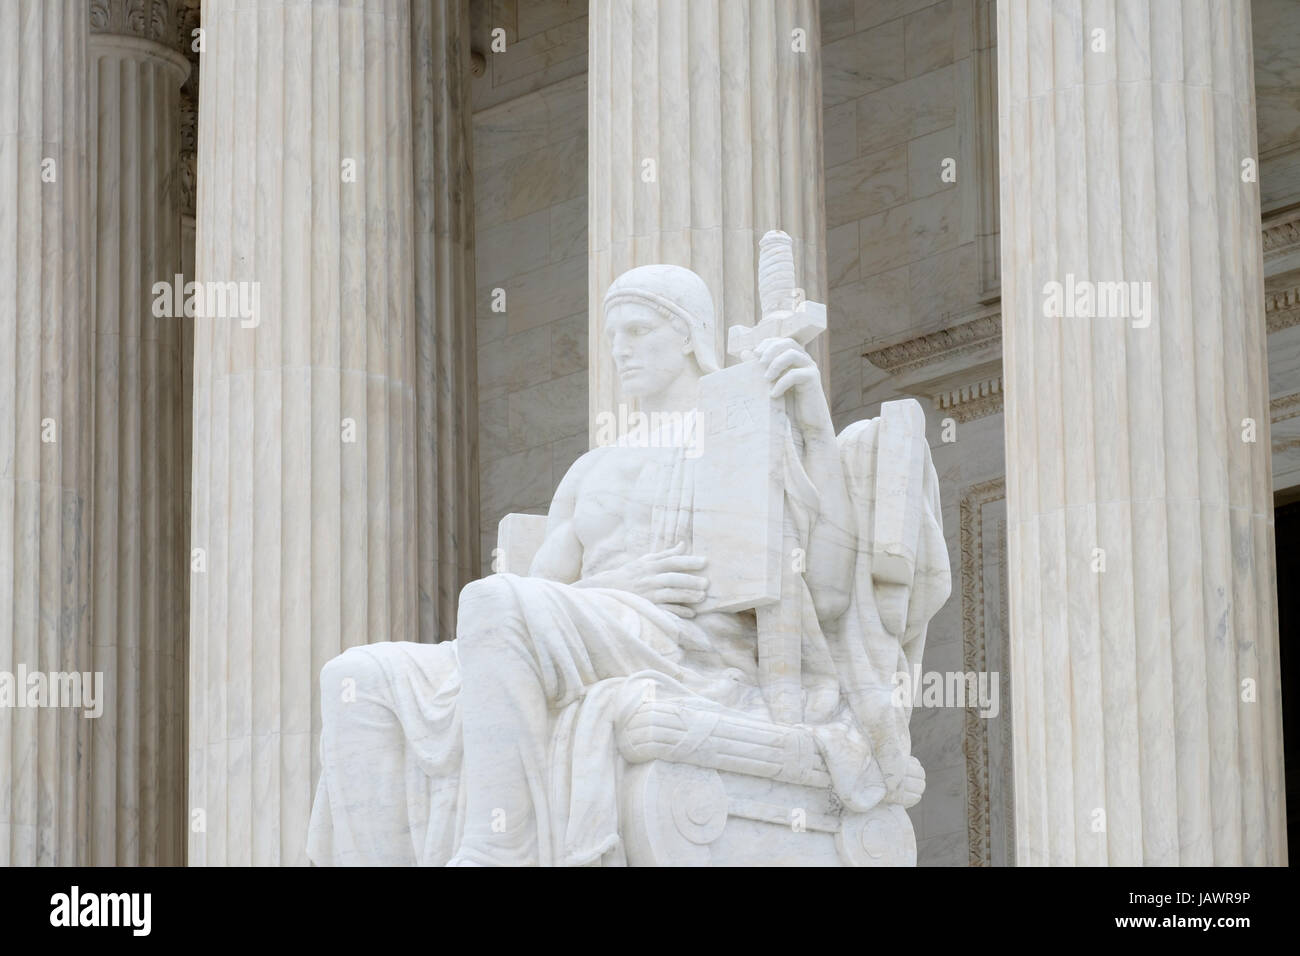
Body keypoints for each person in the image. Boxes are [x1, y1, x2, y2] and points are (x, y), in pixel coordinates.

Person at [306, 264, 926, 866]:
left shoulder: (743, 436)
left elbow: (828, 595)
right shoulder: (592, 469)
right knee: (357, 675)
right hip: (597, 623)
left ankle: (503, 845)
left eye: (638, 331)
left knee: (490, 600)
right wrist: (612, 586)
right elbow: (532, 594)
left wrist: (815, 433)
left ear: (689, 334)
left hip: (692, 649)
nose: (620, 351)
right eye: (612, 337)